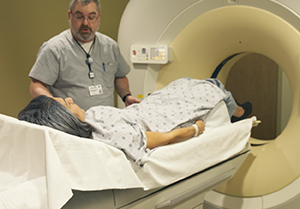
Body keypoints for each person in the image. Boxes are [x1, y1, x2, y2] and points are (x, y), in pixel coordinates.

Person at [19, 78, 251, 165]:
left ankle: (236, 109)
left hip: (146, 108)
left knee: (185, 83)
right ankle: (239, 112)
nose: (70, 98)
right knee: (212, 86)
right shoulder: (106, 136)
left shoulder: (88, 120)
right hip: (161, 115)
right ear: (65, 120)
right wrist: (194, 129)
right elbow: (158, 138)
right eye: (67, 104)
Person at [29, 0, 140, 111]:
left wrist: (126, 96)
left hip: (106, 120)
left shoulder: (110, 46)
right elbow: (36, 85)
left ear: (99, 18)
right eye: (79, 17)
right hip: (72, 122)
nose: (85, 23)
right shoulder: (54, 49)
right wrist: (55, 104)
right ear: (69, 16)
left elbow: (120, 76)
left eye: (91, 17)